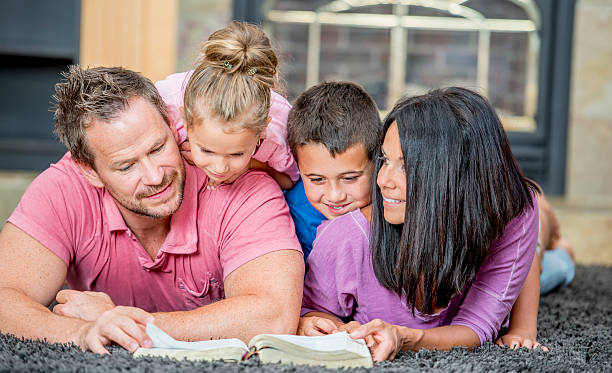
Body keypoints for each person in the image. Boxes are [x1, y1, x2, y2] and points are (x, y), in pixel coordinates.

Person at [0, 66, 304, 354]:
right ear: (89, 170)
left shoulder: (240, 183)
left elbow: (273, 315)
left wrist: (128, 323)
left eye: (158, 148)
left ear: (173, 125)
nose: (155, 176)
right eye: (126, 165)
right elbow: (5, 296)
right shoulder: (63, 189)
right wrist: (81, 333)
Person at [298, 87, 541, 361]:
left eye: (405, 166)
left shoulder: (514, 211)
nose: (382, 181)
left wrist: (523, 325)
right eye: (385, 160)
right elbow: (311, 311)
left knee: (550, 260)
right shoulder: (346, 237)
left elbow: (477, 326)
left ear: (453, 175)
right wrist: (324, 326)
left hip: (483, 240)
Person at [155, 21, 298, 191]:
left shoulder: (278, 131)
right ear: (185, 120)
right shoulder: (163, 105)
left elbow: (291, 181)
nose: (220, 168)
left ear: (262, 130)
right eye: (207, 151)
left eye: (237, 154)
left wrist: (253, 165)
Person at [285, 81, 382, 258]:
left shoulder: (393, 205)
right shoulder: (290, 216)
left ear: (377, 162)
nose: (335, 196)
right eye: (317, 179)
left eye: (350, 178)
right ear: (297, 167)